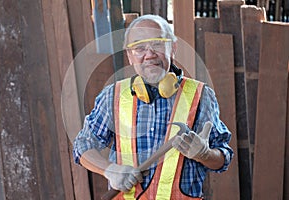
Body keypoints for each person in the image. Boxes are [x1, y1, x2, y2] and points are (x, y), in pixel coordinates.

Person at [73, 14, 233, 200]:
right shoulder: (113, 96)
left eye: (157, 44)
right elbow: (83, 145)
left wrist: (204, 154)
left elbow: (223, 159)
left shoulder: (200, 96)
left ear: (173, 48)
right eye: (139, 48)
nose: (149, 55)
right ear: (130, 56)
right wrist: (110, 170)